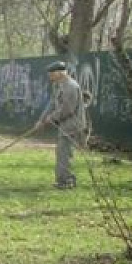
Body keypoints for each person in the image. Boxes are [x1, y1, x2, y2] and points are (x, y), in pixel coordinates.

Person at [36, 61, 86, 189]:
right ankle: (63, 180)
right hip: (64, 125)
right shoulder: (58, 85)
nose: (50, 77)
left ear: (59, 73)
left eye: (51, 74)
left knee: (64, 153)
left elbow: (67, 109)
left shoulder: (71, 86)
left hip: (72, 125)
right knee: (61, 152)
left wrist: (51, 118)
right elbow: (52, 103)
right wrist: (41, 120)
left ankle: (67, 181)